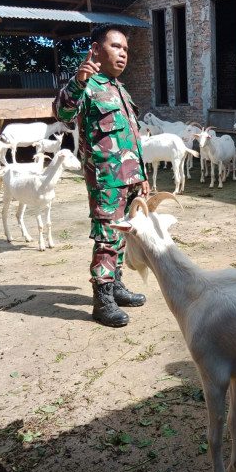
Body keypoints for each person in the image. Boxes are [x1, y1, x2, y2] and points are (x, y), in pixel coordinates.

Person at [53, 24, 150, 328]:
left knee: (121, 235)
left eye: (126, 49)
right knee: (107, 238)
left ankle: (117, 285)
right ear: (95, 49)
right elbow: (62, 113)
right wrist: (79, 81)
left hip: (128, 178)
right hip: (106, 179)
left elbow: (130, 139)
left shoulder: (118, 88)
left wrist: (141, 177)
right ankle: (102, 299)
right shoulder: (86, 85)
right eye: (116, 47)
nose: (123, 54)